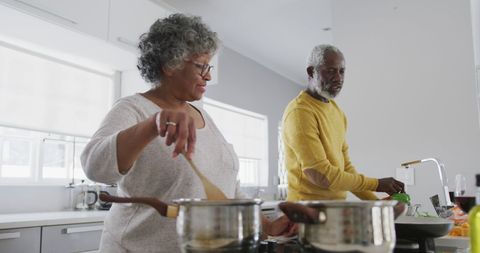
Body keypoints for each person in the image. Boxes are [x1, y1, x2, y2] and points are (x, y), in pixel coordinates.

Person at [81, 13, 294, 253]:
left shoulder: (203, 117)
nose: (209, 75)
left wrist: (268, 226)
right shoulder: (134, 109)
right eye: (201, 66)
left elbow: (227, 191)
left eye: (209, 66)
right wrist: (154, 124)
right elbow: (94, 165)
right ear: (170, 64)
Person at [281, 44, 405, 201]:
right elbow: (321, 175)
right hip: (305, 214)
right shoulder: (300, 113)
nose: (338, 78)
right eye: (331, 71)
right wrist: (377, 184)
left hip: (335, 211)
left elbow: (346, 168)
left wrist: (376, 204)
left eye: (342, 71)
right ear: (311, 72)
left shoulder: (337, 112)